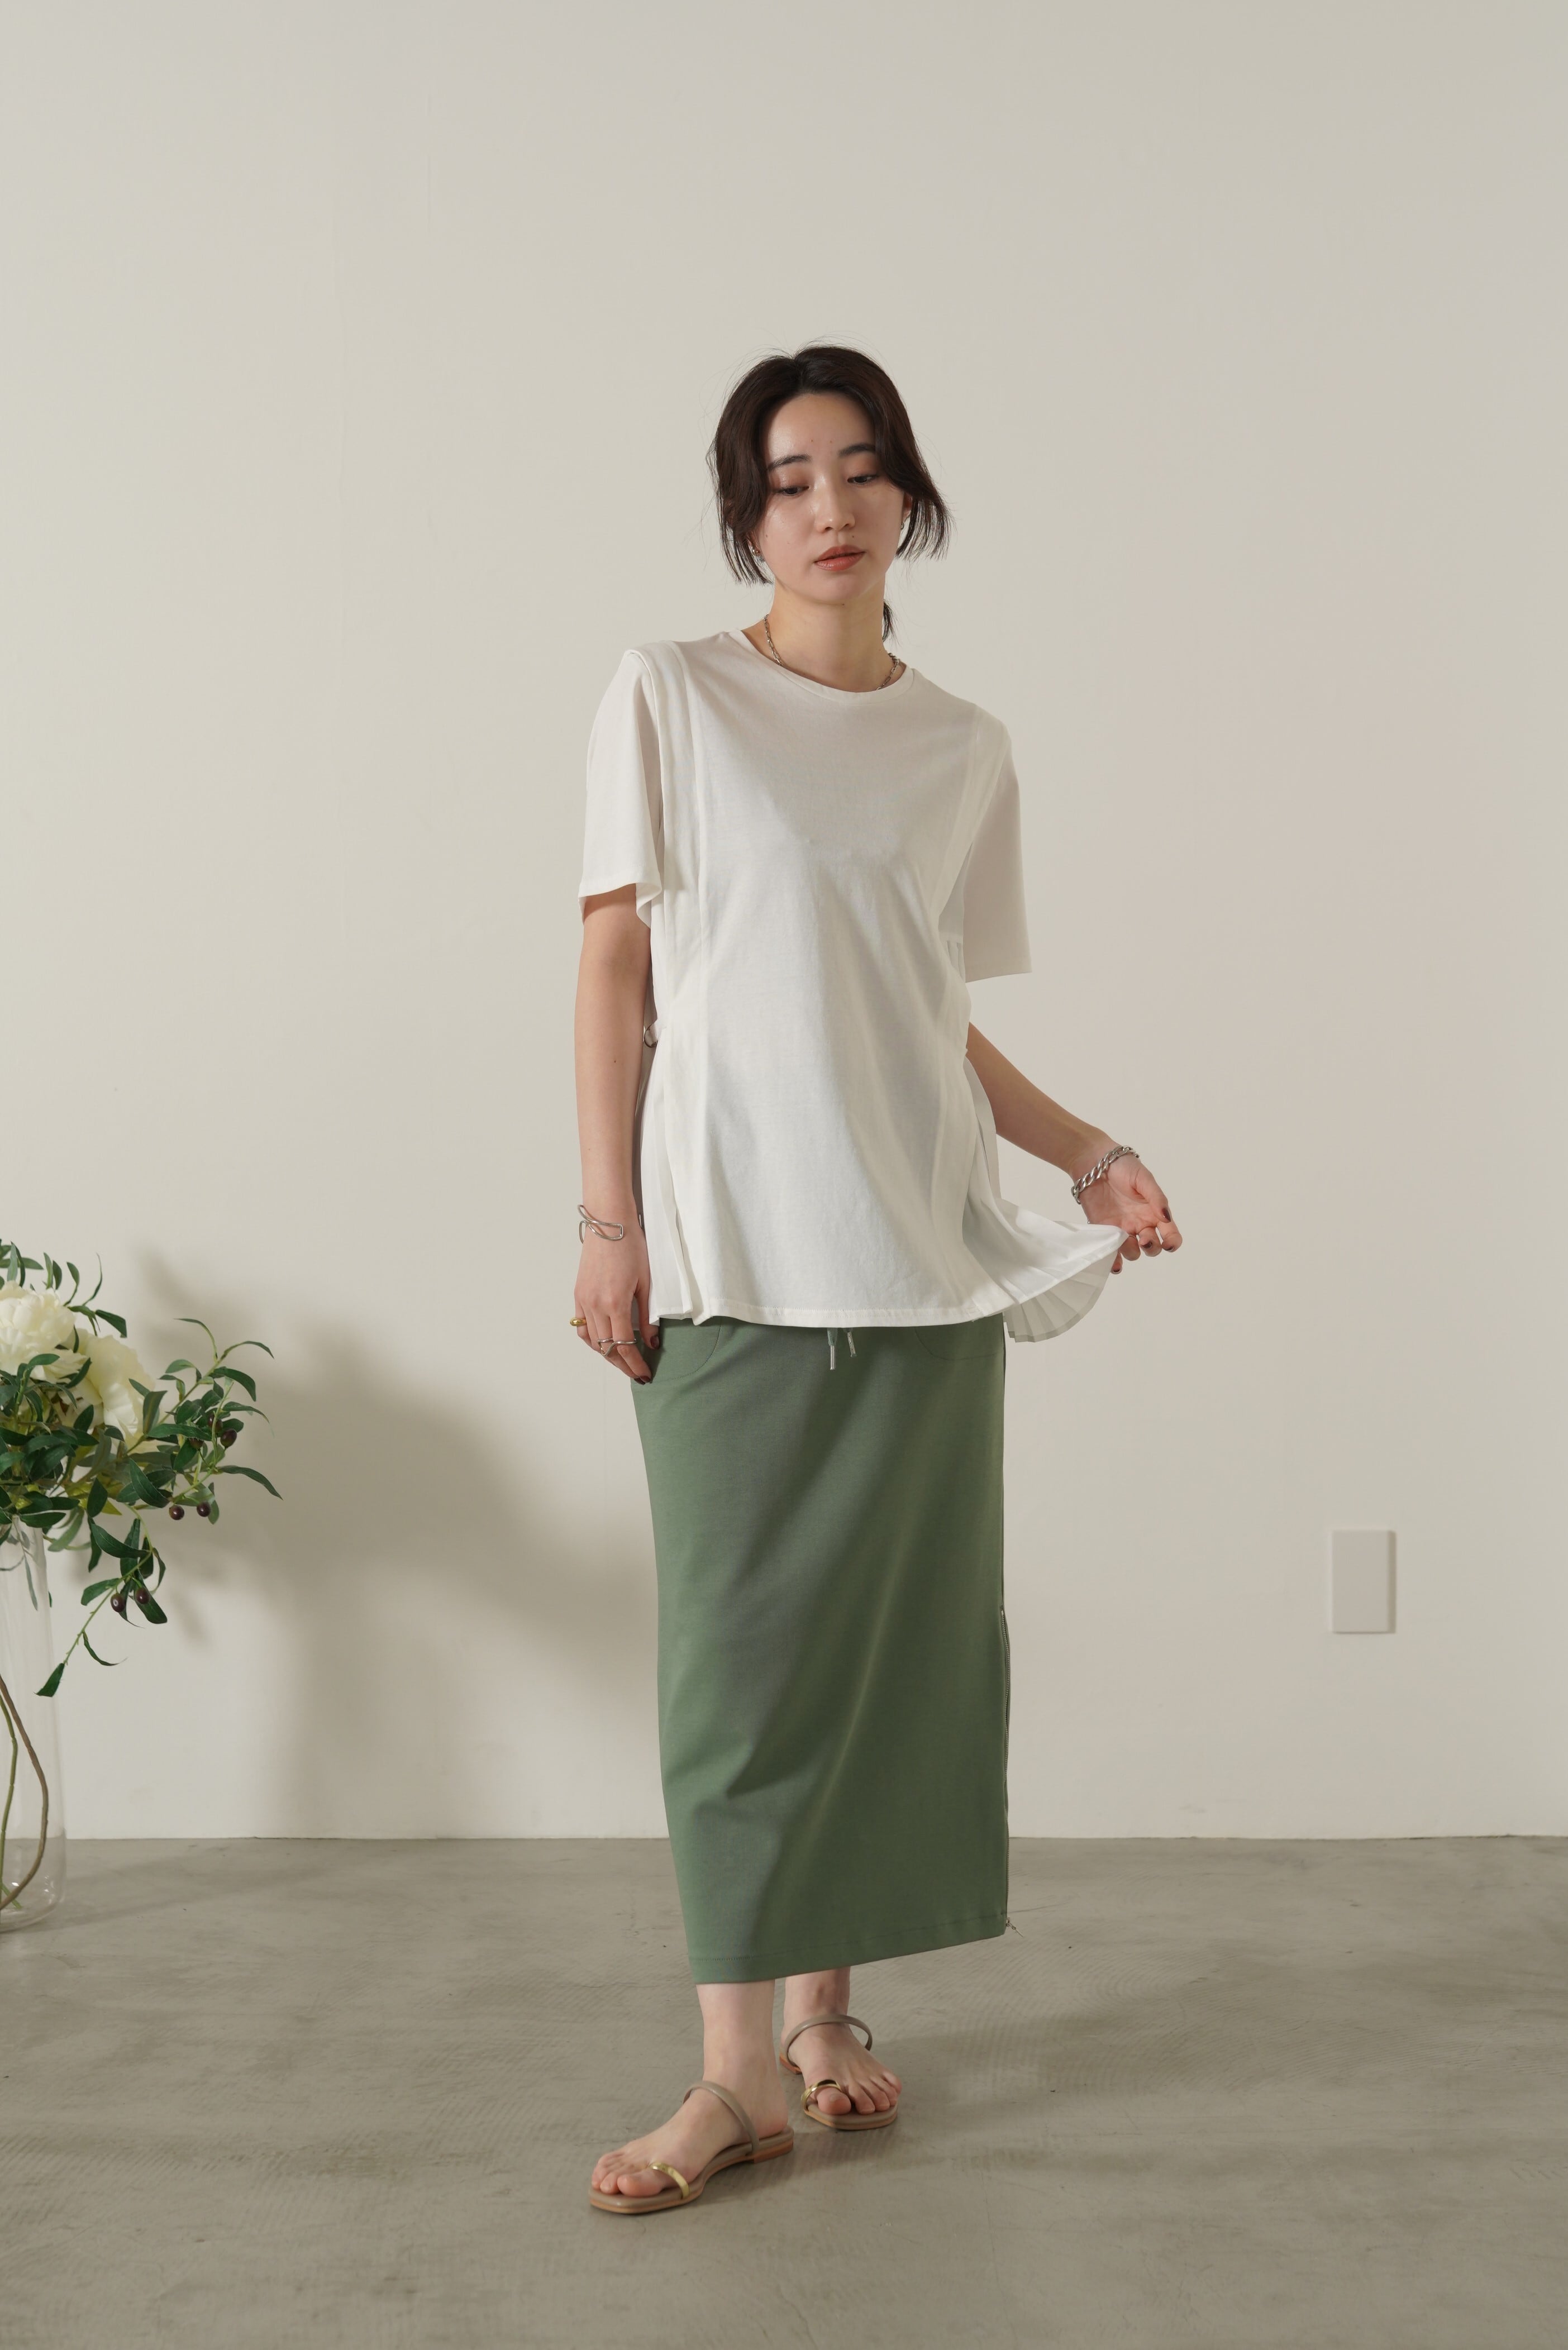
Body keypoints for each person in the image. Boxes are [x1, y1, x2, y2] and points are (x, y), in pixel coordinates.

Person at [574, 345, 1182, 2214]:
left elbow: (929, 1016)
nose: (827, 509)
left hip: (917, 1260)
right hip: (732, 1252)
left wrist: (1086, 1150)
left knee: (885, 1661)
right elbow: (615, 969)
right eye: (785, 483)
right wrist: (609, 1222)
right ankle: (728, 2078)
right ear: (744, 518)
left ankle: (824, 2025)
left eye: (857, 470)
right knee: (739, 1669)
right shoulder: (672, 695)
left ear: (908, 494)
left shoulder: (963, 748)